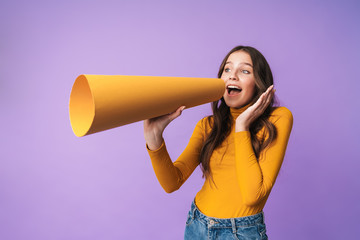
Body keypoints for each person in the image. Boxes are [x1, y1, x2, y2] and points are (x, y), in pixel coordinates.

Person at [144, 45, 293, 240]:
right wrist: (154, 138)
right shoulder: (208, 125)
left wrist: (242, 127)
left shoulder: (278, 119)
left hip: (241, 232)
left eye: (245, 71)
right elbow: (172, 183)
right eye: (227, 69)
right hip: (197, 224)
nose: (232, 76)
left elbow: (253, 196)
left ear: (259, 83)